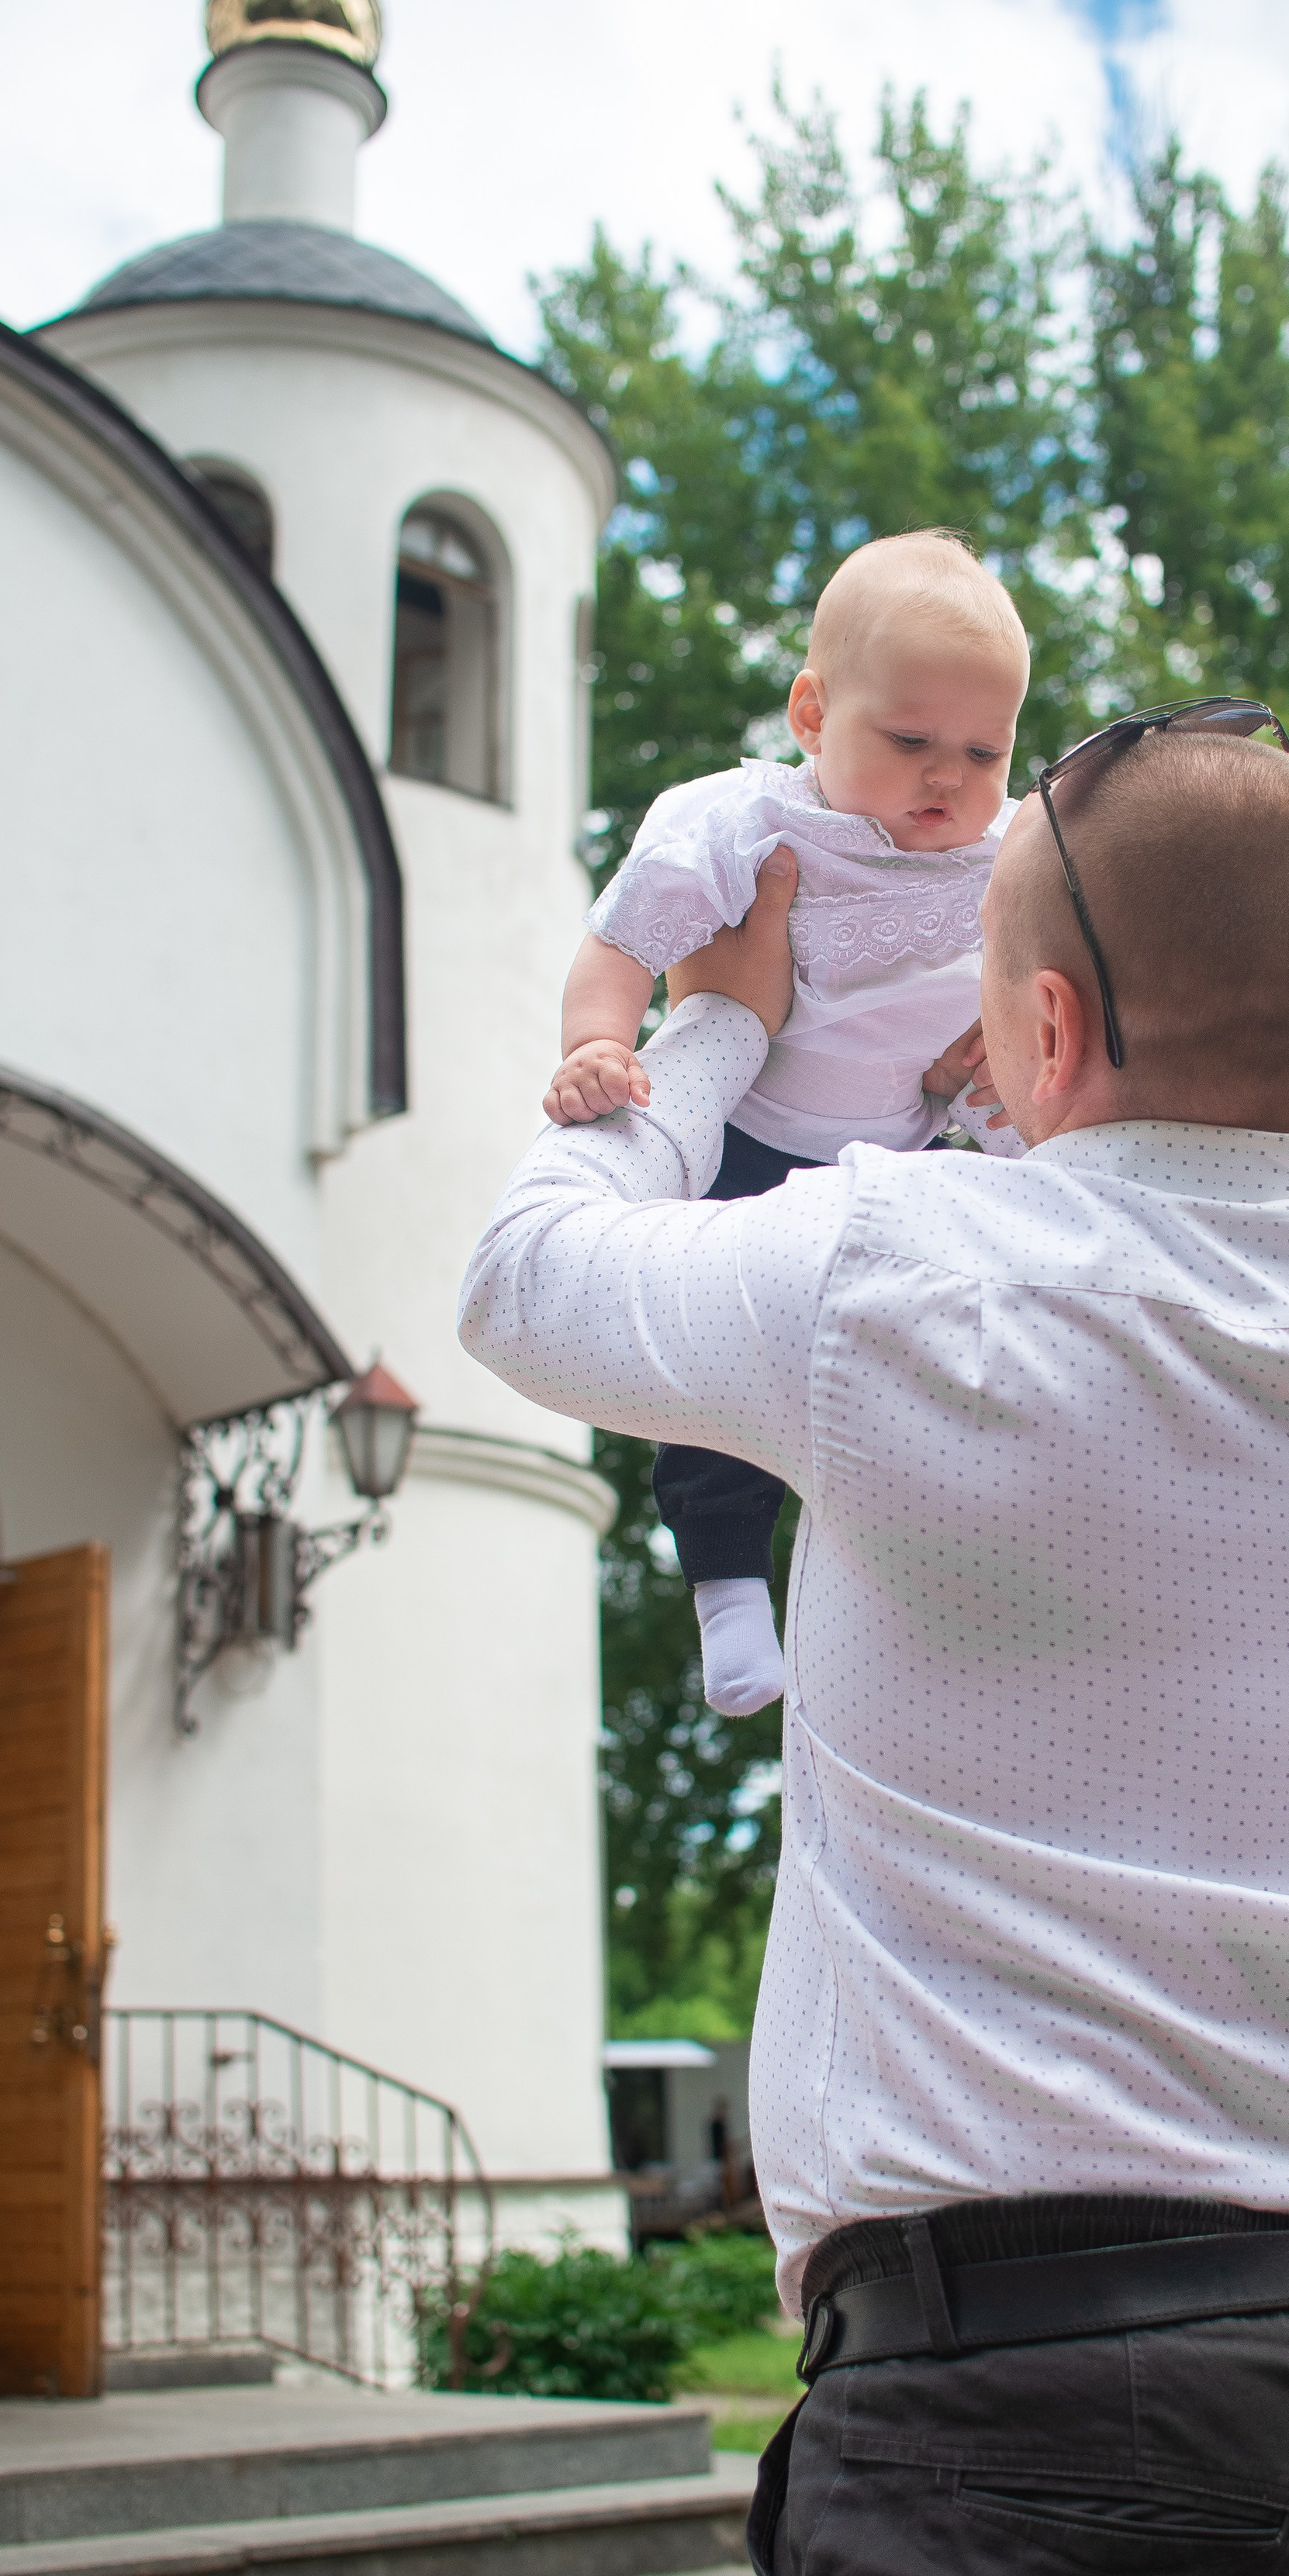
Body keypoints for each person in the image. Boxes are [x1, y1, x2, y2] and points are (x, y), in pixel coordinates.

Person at [461, 705, 1289, 2576]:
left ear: (1045, 1025)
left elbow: (522, 1282)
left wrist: (718, 1026)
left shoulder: (899, 1274)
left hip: (1031, 2433)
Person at [546, 528, 1027, 1718]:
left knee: (903, 1364)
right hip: (751, 1133)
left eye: (984, 751)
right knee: (718, 1376)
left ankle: (914, 1595)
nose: (948, 779)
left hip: (904, 1142)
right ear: (812, 714)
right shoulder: (748, 826)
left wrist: (1003, 1047)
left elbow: (1060, 971)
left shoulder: (1012, 851)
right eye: (909, 741)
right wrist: (599, 1043)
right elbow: (622, 942)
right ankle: (725, 1588)